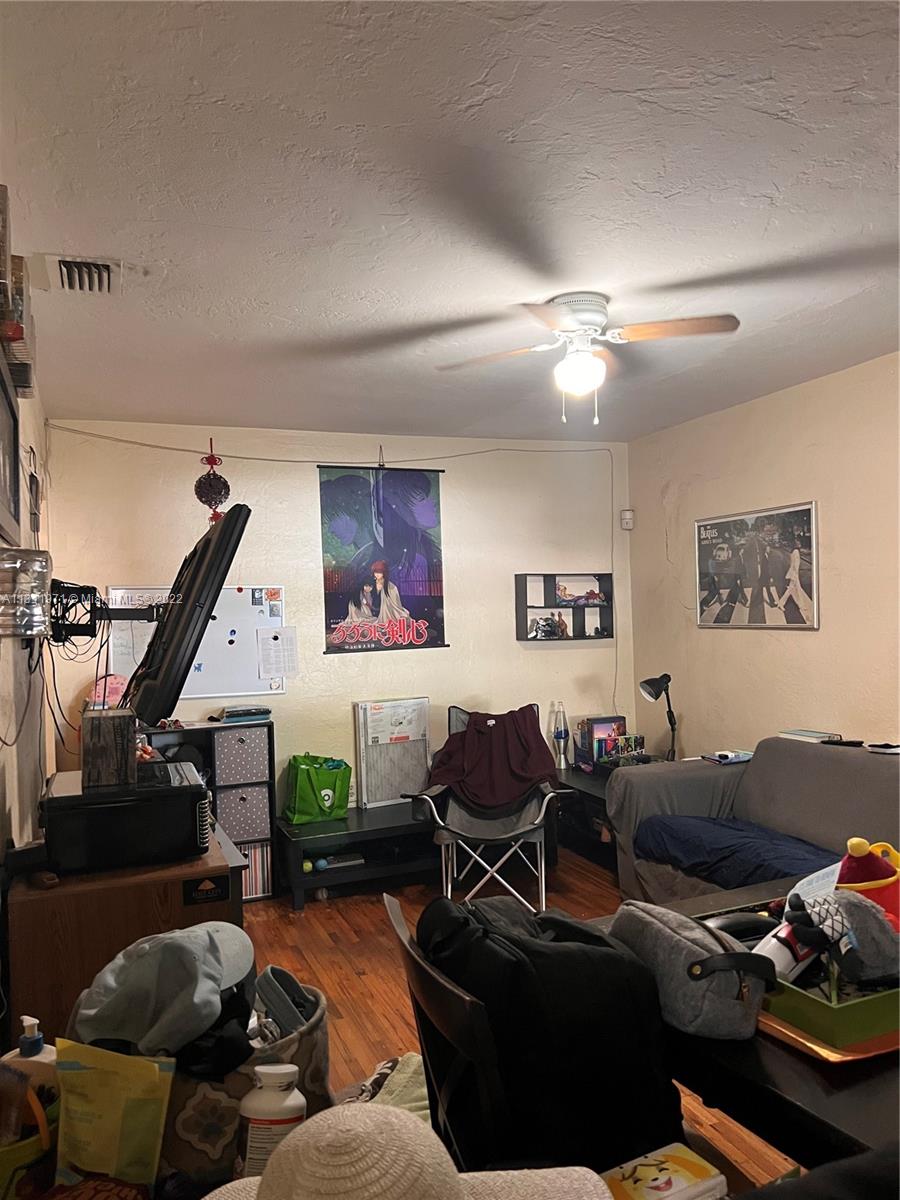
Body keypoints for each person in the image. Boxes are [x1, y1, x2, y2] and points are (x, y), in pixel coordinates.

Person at [777, 539, 813, 622]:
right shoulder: (796, 552)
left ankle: (801, 605)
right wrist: (795, 575)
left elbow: (792, 564)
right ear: (795, 544)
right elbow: (795, 565)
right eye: (798, 543)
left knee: (797, 590)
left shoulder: (793, 551)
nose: (800, 543)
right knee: (790, 590)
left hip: (793, 573)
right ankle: (781, 603)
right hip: (794, 574)